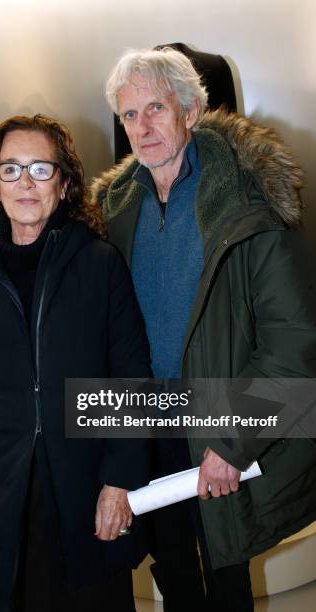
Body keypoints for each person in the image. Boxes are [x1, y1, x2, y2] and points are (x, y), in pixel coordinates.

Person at [92, 47, 316, 611]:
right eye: (129, 115)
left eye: (155, 109)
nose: (142, 128)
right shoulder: (113, 207)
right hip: (148, 423)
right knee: (172, 568)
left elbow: (293, 342)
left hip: (219, 420)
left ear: (190, 110)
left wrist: (233, 442)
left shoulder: (247, 199)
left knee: (225, 570)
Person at [0, 114, 152, 612]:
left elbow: (132, 379)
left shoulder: (100, 264)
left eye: (40, 169)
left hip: (85, 488)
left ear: (65, 182)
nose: (25, 182)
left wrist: (118, 481)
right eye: (10, 169)